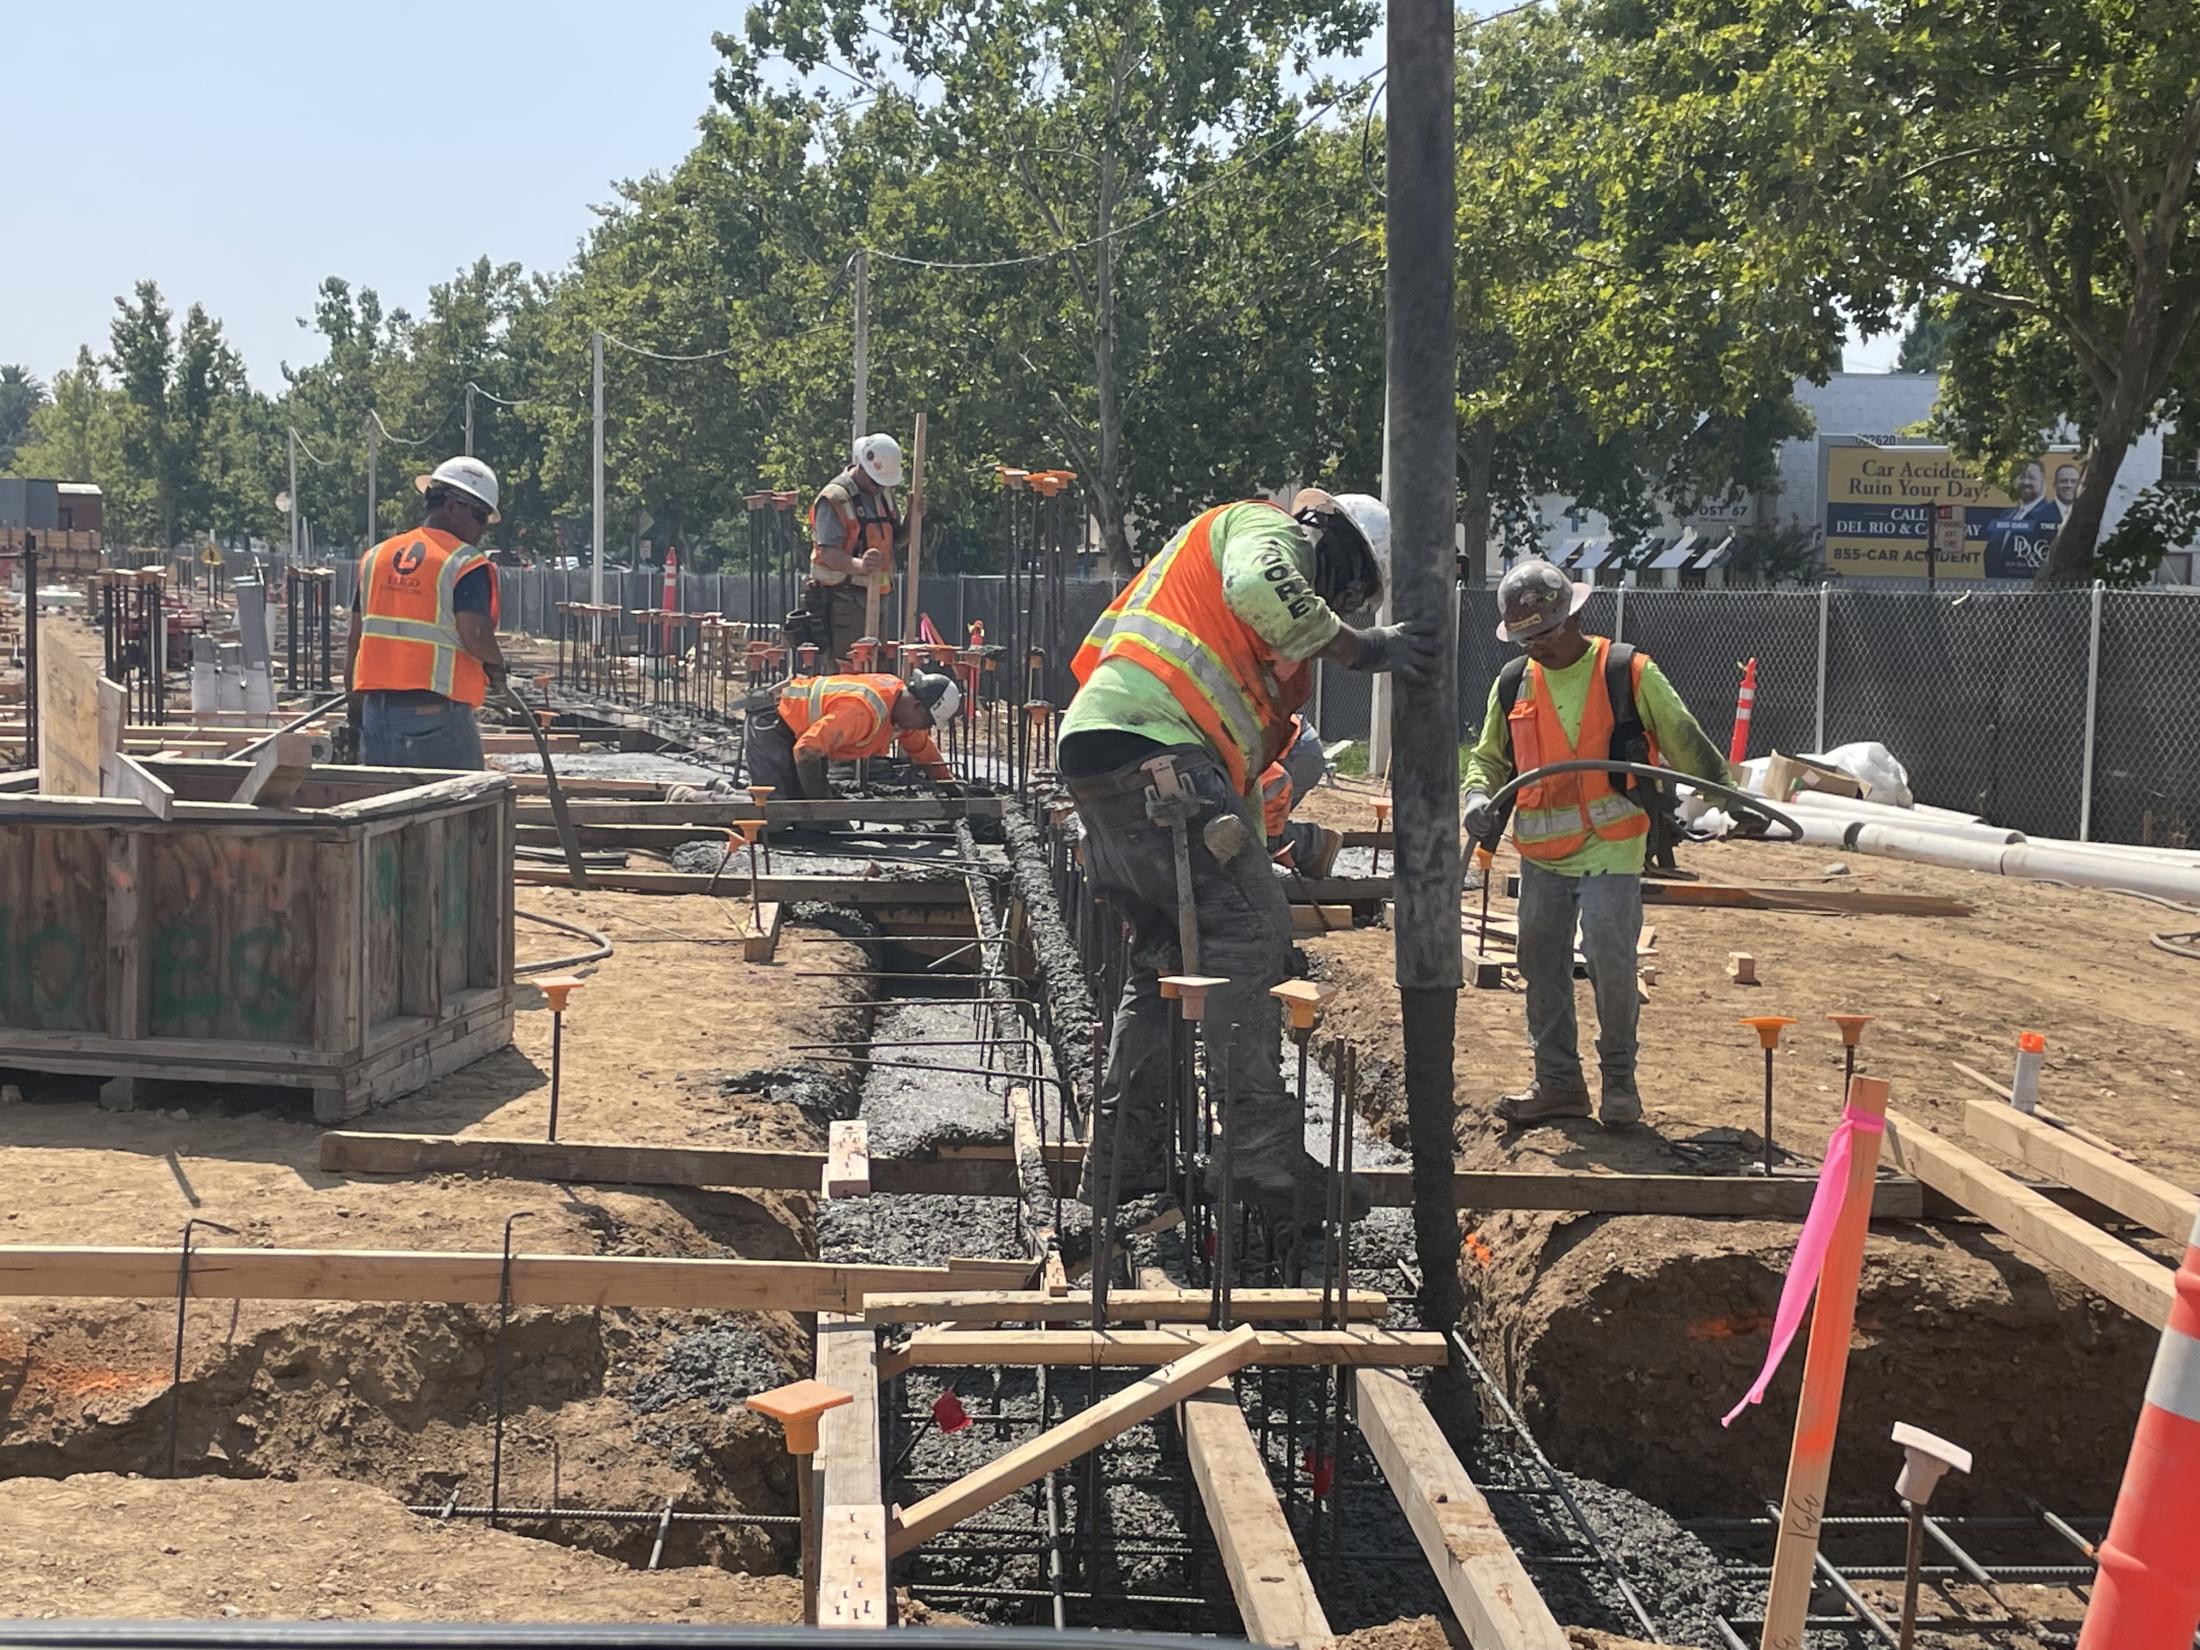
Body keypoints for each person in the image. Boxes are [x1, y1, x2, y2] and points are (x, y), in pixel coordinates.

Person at [1057, 488, 1438, 1221]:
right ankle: (1261, 1158)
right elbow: (1264, 585)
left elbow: (1243, 792)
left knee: (1165, 962)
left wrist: (1269, 868)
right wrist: (1367, 649)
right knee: (1251, 936)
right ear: (1327, 535)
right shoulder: (1262, 529)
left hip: (1111, 758)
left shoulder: (1219, 623)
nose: (1336, 604)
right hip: (1155, 750)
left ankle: (1122, 1166)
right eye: (1345, 586)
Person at [1460, 558, 1730, 1128]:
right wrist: (1476, 799)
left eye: (1546, 633)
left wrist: (1729, 798)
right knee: (1539, 960)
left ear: (1571, 615)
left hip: (1612, 842)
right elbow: (1488, 758)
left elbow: (1684, 738)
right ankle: (1557, 1082)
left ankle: (1619, 1081)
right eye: (1527, 638)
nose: (1538, 647)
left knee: (1609, 953)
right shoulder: (1514, 682)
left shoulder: (1625, 670)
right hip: (1541, 853)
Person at [345, 456, 507, 770]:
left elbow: (356, 638)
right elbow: (475, 632)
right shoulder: (465, 562)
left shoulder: (376, 556)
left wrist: (355, 710)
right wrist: (497, 666)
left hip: (378, 715)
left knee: (387, 811)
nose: (483, 528)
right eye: (479, 516)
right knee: (463, 807)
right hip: (436, 718)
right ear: (452, 506)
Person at [745, 669, 961, 800]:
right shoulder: (862, 712)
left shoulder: (900, 706)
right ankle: (716, 799)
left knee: (808, 820)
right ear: (916, 706)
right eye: (927, 723)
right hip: (774, 723)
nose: (924, 729)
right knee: (773, 817)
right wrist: (821, 807)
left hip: (802, 733)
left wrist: (948, 785)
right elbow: (806, 751)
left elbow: (921, 748)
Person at [806, 433, 903, 664]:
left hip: (877, 598)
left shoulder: (883, 496)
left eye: (884, 483)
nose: (879, 488)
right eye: (876, 481)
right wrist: (859, 566)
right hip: (844, 600)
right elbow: (827, 552)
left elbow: (895, 539)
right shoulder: (835, 499)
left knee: (875, 669)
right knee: (848, 670)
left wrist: (915, 517)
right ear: (862, 466)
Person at [1258, 715, 1343, 876]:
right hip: (1292, 744)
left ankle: (1314, 846)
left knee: (1253, 830)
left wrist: (1269, 837)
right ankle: (1309, 846)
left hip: (1297, 751)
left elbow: (1277, 780)